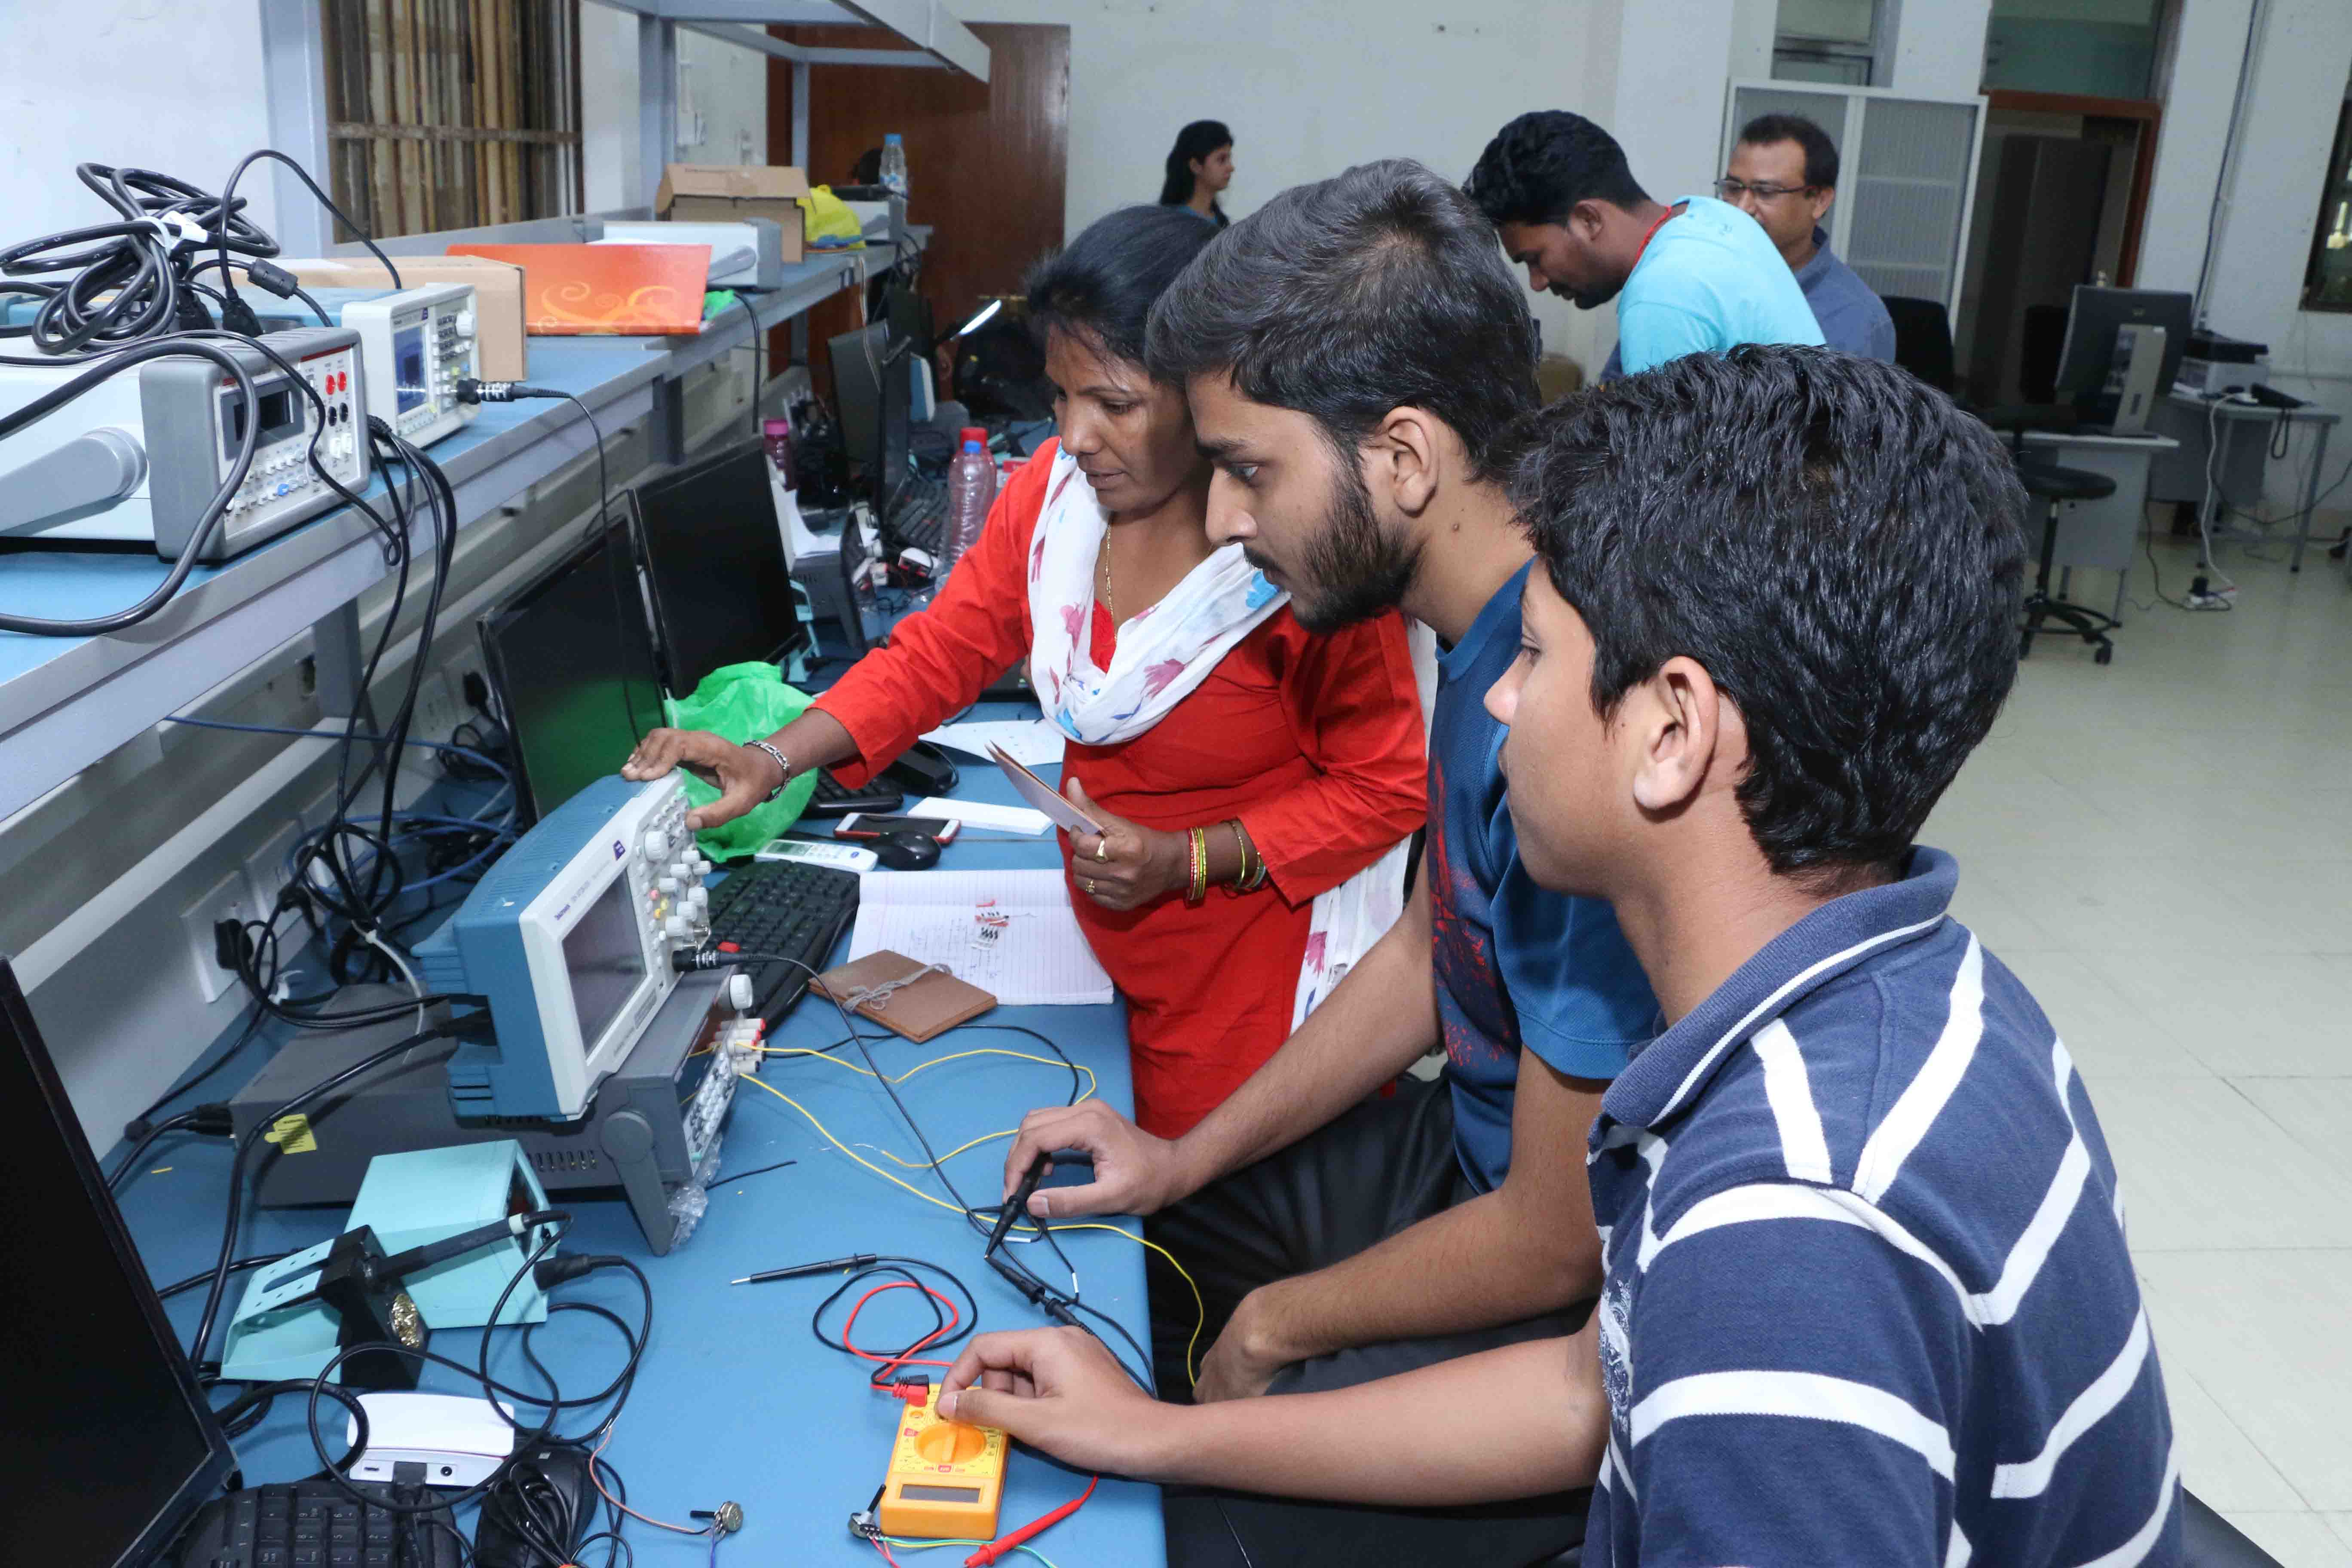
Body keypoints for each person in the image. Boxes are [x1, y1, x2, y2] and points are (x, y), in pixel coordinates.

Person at [936, 346, 2184, 1567]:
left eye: (1534, 656)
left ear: (1674, 733)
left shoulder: (1787, 1228)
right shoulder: (1916, 987)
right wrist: (1153, 1435)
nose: (1494, 701)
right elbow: (1590, 1382)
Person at [990, 160, 1658, 1566]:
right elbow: (1430, 949)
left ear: (1403, 459)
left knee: (1188, 1506)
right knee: (1147, 1248)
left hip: (1570, 1295)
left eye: (1250, 469)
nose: (1227, 521)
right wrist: (1178, 1155)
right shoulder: (1489, 637)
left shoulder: (1572, 707)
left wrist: (1272, 1331)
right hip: (1475, 1157)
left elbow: (1553, 1241)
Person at [619, 204, 1425, 1141]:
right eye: (1060, 397)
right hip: (1100, 953)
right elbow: (943, 650)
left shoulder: (1292, 554)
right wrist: (773, 757)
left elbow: (1387, 784)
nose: (1077, 435)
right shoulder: (1056, 500)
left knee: (1193, 1235)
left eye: (1114, 405)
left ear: (1213, 394)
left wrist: (1188, 858)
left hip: (1249, 990)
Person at [1465, 109, 1822, 378]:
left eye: (1535, 259)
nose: (1537, 282)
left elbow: (1658, 473)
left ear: (1589, 219)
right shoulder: (1714, 217)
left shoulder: (1662, 293)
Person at [1719, 112, 1896, 360]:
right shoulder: (1707, 276)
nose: (1742, 207)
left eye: (1766, 192)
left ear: (1819, 201)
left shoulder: (1856, 319)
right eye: (1733, 188)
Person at [1159, 120, 1235, 228]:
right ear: (1195, 166)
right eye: (1221, 160)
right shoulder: (1172, 223)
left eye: (1229, 158)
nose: (1231, 168)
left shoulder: (1222, 224)